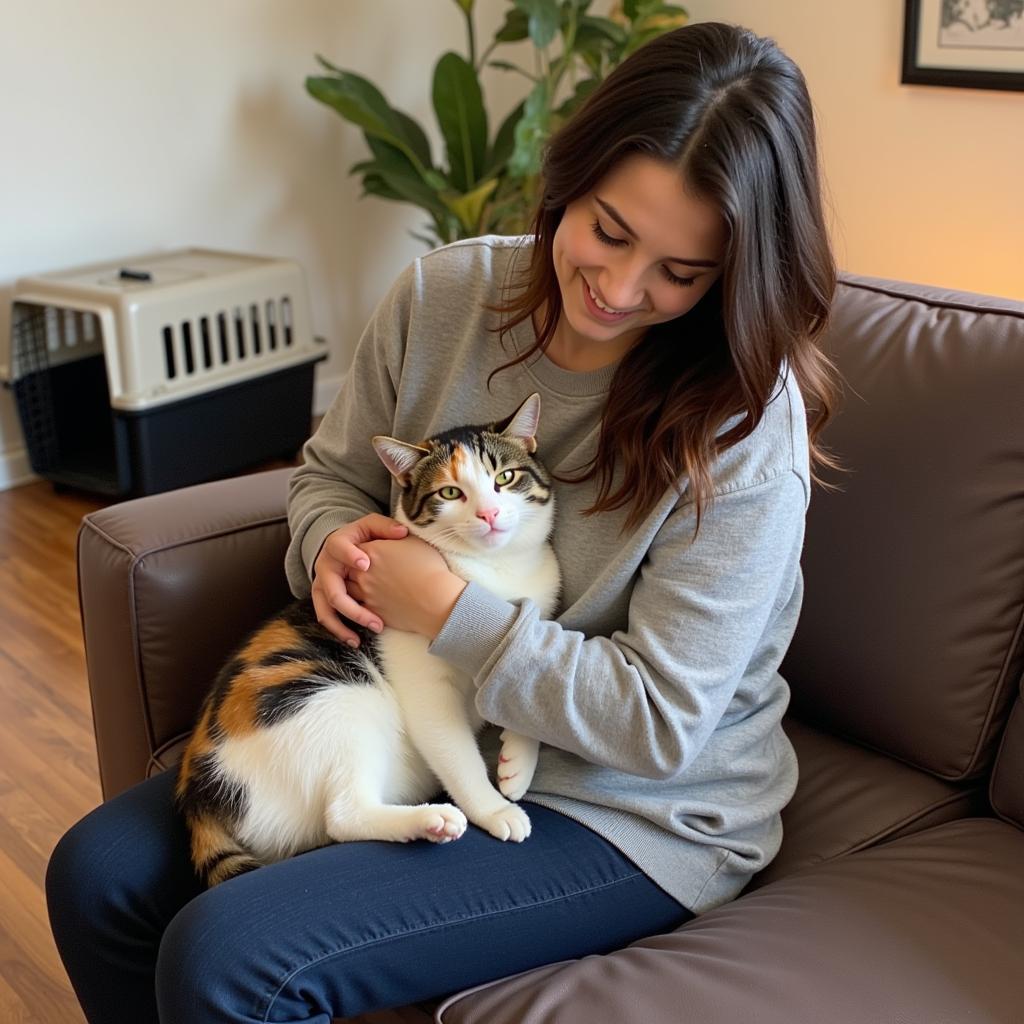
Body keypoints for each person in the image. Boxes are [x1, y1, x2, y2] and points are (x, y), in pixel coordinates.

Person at [46, 21, 839, 1024]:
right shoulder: (449, 294)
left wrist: (451, 611)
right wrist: (329, 543)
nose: (622, 288)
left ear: (734, 272)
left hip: (632, 805)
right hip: (438, 727)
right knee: (92, 875)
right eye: (606, 229)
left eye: (681, 274)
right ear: (571, 174)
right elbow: (328, 479)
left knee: (230, 956)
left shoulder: (741, 424)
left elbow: (661, 722)